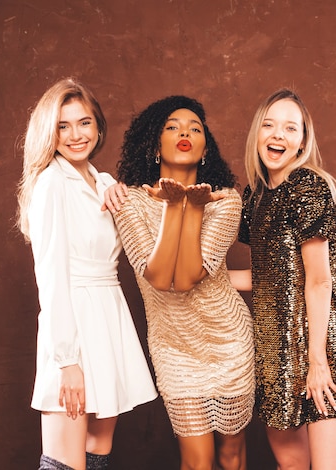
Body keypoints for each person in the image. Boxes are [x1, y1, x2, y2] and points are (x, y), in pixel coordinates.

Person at [104, 95, 255, 470]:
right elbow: (158, 278)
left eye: (194, 128)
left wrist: (194, 206)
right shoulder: (130, 202)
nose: (184, 133)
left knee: (232, 454)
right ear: (155, 144)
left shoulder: (224, 200)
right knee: (197, 463)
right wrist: (177, 207)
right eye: (172, 127)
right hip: (174, 348)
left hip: (228, 341)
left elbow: (189, 276)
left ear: (206, 148)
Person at [16, 77, 158, 470]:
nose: (76, 135)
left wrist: (111, 184)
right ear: (49, 131)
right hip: (73, 327)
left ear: (98, 126)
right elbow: (51, 276)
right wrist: (67, 362)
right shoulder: (50, 184)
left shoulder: (100, 180)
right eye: (63, 126)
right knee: (66, 463)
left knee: (98, 450)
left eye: (84, 123)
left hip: (108, 320)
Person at [232, 88, 336, 470]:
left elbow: (319, 280)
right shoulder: (255, 197)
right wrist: (205, 279)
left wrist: (317, 361)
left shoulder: (307, 186)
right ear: (257, 133)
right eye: (269, 125)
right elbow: (272, 276)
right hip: (277, 355)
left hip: (320, 351)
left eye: (291, 128)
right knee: (291, 466)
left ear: (303, 140)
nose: (278, 135)